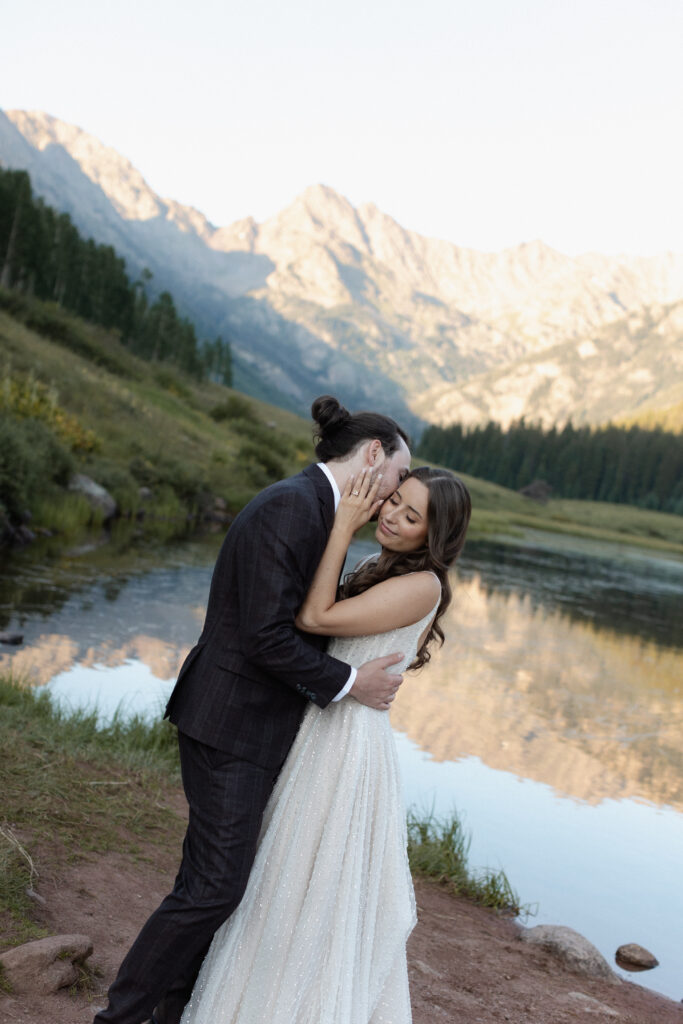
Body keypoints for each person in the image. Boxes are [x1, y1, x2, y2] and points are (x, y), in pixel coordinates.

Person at [94, 396, 412, 1024]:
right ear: (373, 455)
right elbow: (268, 636)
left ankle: (172, 1013)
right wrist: (351, 682)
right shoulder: (294, 510)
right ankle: (120, 1018)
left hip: (247, 723)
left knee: (209, 884)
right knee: (215, 887)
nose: (398, 493)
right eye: (400, 477)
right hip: (230, 722)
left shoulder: (320, 511)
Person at [177, 463, 472, 1024]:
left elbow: (316, 616)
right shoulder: (376, 566)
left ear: (433, 537)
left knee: (310, 879)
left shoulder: (421, 585)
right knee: (277, 874)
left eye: (412, 517)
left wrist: (341, 525)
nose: (391, 516)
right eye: (394, 502)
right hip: (322, 725)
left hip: (346, 744)